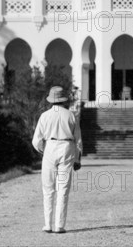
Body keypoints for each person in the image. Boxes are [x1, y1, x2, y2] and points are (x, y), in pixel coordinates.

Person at [32, 86, 83, 234]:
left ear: (51, 100)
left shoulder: (45, 115)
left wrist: (44, 151)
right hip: (67, 147)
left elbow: (36, 141)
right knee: (63, 188)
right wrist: (78, 159)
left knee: (48, 188)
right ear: (63, 100)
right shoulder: (71, 115)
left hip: (50, 147)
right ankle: (59, 225)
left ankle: (48, 224)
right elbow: (78, 140)